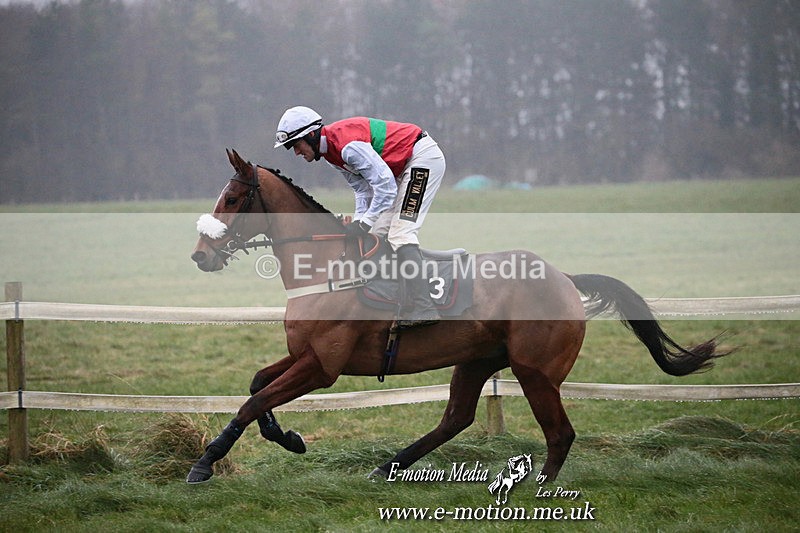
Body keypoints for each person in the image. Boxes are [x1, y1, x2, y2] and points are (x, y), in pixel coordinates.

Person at [274, 106, 445, 328]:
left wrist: (363, 224)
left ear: (312, 135)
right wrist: (359, 223)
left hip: (422, 159)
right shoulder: (330, 155)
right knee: (377, 234)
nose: (296, 152)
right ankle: (399, 298)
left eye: (296, 145)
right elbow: (363, 190)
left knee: (401, 233)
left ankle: (425, 307)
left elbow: (384, 187)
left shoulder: (347, 147)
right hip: (400, 169)